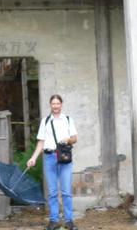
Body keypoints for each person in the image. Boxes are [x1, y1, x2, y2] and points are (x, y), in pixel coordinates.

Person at [27, 94, 78, 230]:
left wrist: (68, 139)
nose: (55, 106)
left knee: (66, 191)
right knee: (52, 192)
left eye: (58, 103)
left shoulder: (68, 119)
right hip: (49, 158)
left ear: (61, 105)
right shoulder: (45, 121)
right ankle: (53, 221)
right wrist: (33, 158)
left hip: (64, 158)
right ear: (50, 105)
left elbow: (75, 138)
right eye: (53, 103)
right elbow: (41, 142)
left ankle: (69, 221)